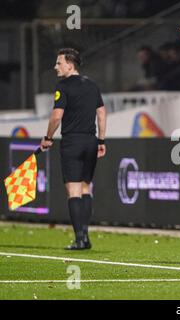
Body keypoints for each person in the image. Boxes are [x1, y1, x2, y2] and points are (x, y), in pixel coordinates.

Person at [40, 48, 107, 250]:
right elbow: (102, 115)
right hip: (91, 141)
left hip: (72, 142)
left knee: (73, 190)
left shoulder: (63, 86)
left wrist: (48, 137)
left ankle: (80, 239)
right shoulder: (92, 85)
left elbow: (56, 117)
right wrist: (102, 141)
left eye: (59, 63)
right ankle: (85, 237)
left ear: (70, 64)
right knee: (86, 187)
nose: (55, 67)